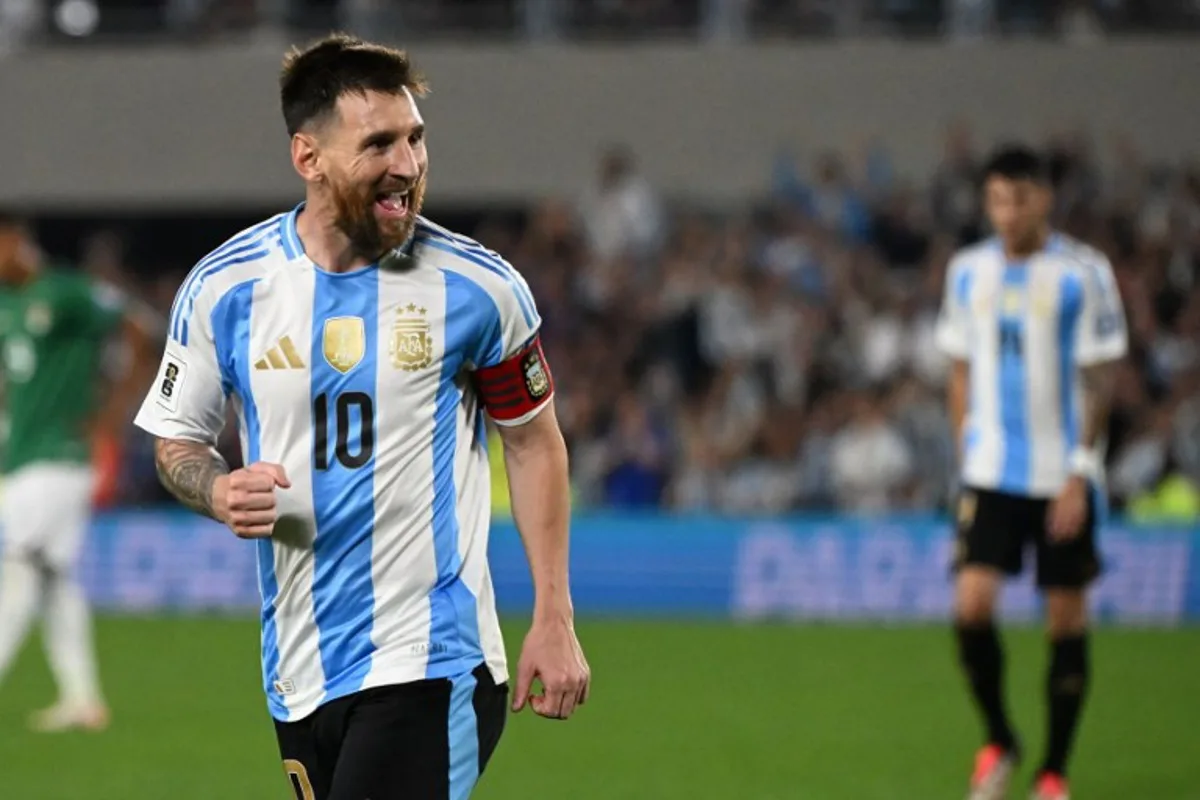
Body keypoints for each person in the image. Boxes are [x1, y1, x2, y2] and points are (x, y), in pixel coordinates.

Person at [133, 34, 590, 800]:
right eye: (379, 144)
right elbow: (178, 440)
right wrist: (215, 490)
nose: (408, 166)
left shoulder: (478, 290)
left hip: (432, 659)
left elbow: (533, 442)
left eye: (415, 139)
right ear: (308, 158)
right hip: (301, 667)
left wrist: (554, 614)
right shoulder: (227, 288)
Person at [936, 145, 1128, 800]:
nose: (1006, 214)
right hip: (991, 471)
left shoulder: (1083, 272)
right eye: (995, 200)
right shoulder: (968, 271)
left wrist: (1080, 470)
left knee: (1065, 622)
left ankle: (1053, 773)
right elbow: (959, 367)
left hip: (1059, 475)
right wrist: (966, 441)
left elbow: (1101, 378)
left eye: (1017, 199)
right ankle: (1000, 740)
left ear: (1043, 197)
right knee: (970, 608)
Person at [0, 212, 156, 731]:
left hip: (62, 455)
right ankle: (83, 699)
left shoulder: (65, 292)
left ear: (16, 242)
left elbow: (137, 327)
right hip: (20, 457)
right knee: (53, 575)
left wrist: (111, 416)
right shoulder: (7, 305)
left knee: (21, 563)